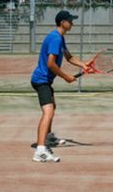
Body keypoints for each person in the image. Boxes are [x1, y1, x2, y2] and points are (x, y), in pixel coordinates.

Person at [30, 10, 89, 163]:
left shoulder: (59, 38)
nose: (72, 23)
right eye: (70, 21)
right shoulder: (55, 39)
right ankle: (40, 150)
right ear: (62, 22)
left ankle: (48, 137)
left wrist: (83, 64)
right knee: (48, 112)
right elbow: (50, 64)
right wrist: (66, 77)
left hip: (46, 80)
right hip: (41, 80)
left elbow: (69, 57)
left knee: (52, 107)